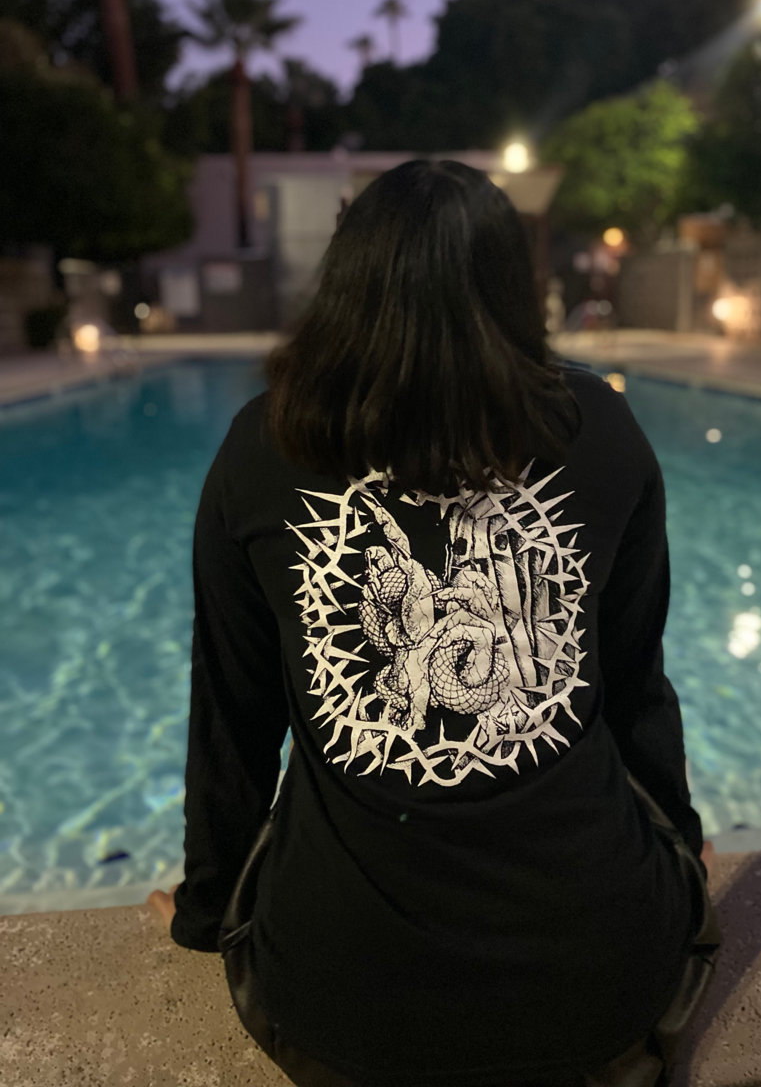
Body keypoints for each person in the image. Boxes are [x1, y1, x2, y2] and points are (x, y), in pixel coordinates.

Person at [148, 159, 719, 1087]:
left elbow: (233, 715)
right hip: (603, 987)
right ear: (511, 288)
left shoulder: (262, 445)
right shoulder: (602, 431)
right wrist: (680, 849)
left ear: (345, 282)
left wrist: (207, 911)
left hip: (334, 1008)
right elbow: (633, 683)